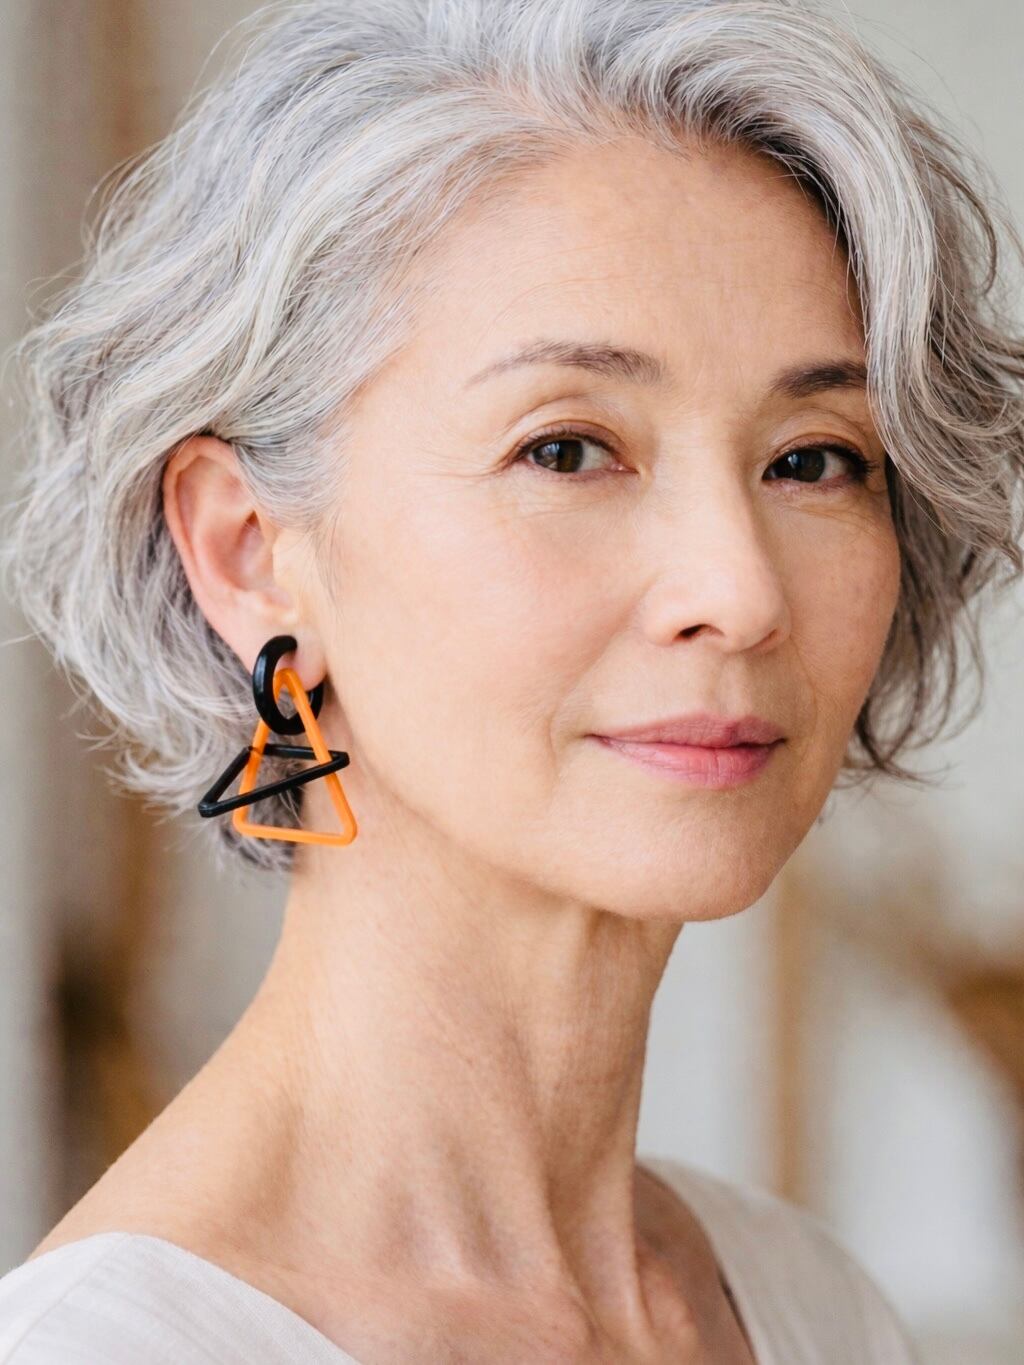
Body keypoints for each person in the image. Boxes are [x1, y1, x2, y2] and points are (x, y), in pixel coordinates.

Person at [2, 0, 1022, 1359]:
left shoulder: (812, 1305)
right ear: (248, 550)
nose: (740, 590)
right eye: (567, 450)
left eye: (813, 458)